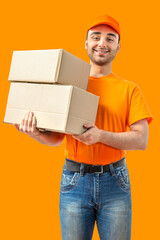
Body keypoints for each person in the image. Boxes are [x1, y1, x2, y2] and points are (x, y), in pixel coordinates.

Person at [14, 15, 153, 240]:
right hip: (73, 181)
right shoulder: (69, 86)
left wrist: (100, 135)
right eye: (95, 37)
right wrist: (35, 133)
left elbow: (141, 140)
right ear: (86, 43)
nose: (102, 43)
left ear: (118, 45)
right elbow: (56, 139)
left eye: (110, 38)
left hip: (115, 182)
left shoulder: (130, 89)